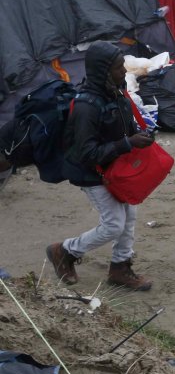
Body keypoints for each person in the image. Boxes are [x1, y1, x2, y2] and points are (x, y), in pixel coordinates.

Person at [46, 41, 155, 290]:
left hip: (114, 169)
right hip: (91, 172)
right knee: (114, 224)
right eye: (118, 68)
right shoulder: (87, 106)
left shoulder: (115, 92)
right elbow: (86, 153)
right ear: (103, 71)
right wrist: (127, 144)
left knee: (129, 215)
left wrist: (141, 135)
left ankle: (120, 268)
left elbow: (125, 126)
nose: (123, 72)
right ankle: (64, 251)